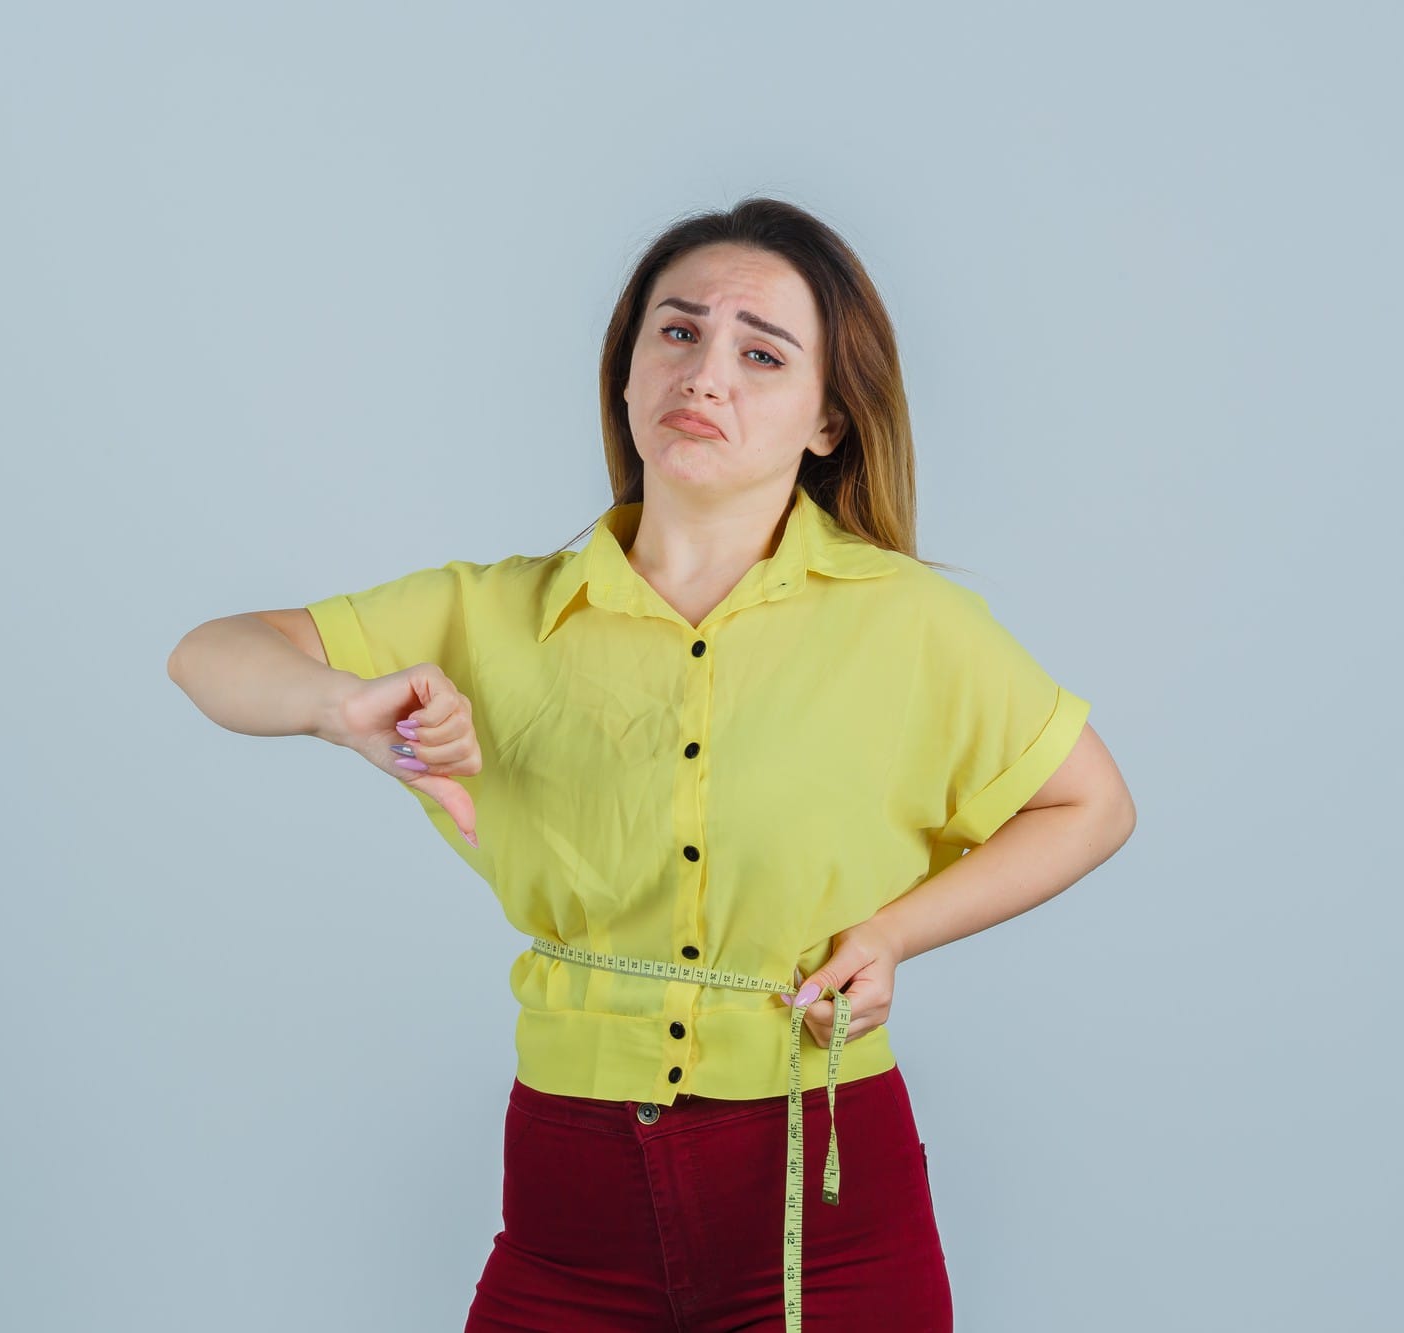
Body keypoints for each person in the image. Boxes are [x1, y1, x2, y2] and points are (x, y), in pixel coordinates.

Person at [166, 197, 1136, 1333]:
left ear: (829, 419)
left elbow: (1090, 802)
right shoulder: (494, 612)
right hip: (567, 1201)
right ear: (625, 374)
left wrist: (888, 934)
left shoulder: (910, 623)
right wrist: (339, 705)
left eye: (760, 352)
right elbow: (209, 653)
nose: (705, 373)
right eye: (675, 332)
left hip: (823, 1210)